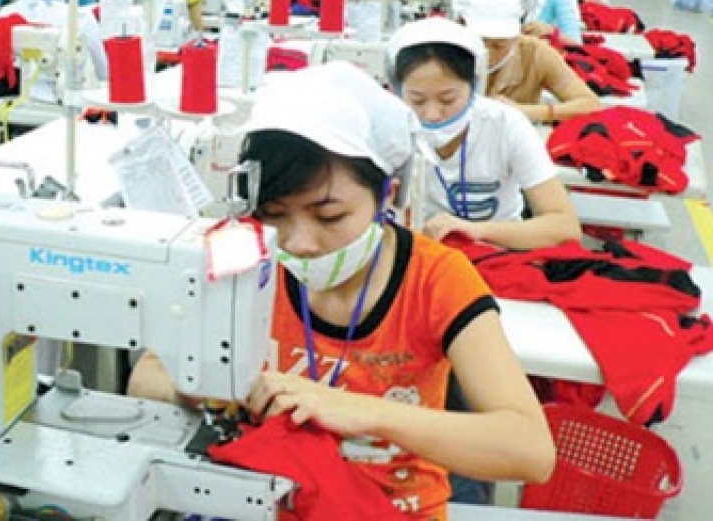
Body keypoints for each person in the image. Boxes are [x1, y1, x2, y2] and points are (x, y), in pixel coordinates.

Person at [128, 62, 555, 521]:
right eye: (274, 215)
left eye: (329, 216)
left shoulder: (434, 279)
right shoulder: (247, 257)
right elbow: (147, 377)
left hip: (392, 508)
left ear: (387, 196)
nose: (299, 242)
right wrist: (215, 388)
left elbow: (530, 450)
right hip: (265, 498)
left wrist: (358, 410)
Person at [387, 16, 581, 251]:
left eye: (448, 99)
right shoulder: (388, 127)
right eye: (417, 100)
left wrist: (477, 230)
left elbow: (564, 226)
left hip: (496, 255)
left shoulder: (505, 125)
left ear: (474, 87)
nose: (432, 114)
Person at [457, 0, 600, 124]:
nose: (487, 53)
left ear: (516, 36)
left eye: (498, 46)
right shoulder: (447, 52)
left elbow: (590, 104)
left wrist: (525, 111)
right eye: (479, 43)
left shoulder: (535, 54)